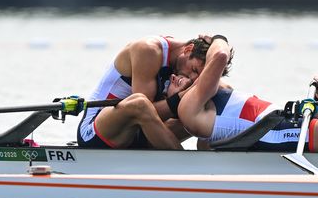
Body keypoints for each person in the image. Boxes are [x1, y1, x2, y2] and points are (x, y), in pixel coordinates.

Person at [170, 55, 318, 152]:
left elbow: (307, 133)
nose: (177, 78)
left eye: (181, 73)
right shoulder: (189, 110)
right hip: (275, 132)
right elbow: (218, 57)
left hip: (289, 125)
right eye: (171, 82)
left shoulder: (215, 96)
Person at [77, 35, 232, 149]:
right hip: (97, 131)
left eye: (197, 76)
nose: (191, 78)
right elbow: (147, 111)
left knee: (212, 98)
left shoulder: (183, 64)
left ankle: (210, 160)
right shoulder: (148, 50)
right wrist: (186, 95)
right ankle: (186, 166)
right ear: (188, 49)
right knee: (140, 103)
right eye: (193, 70)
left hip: (138, 133)